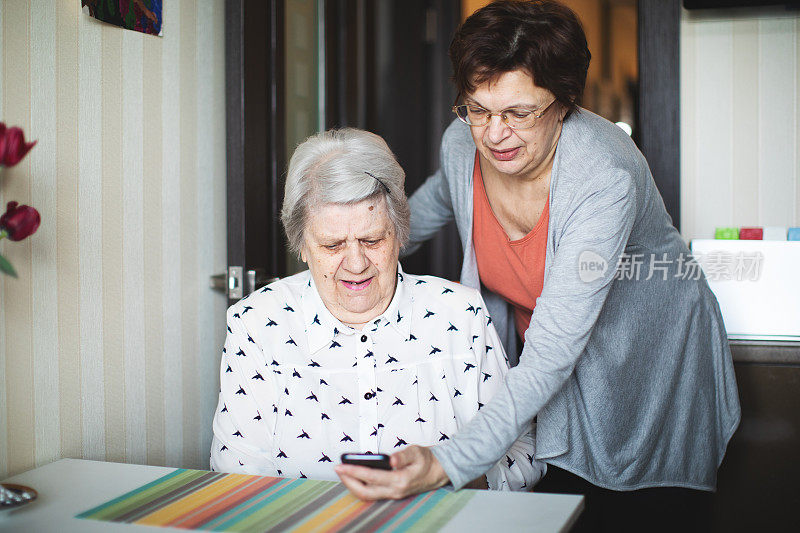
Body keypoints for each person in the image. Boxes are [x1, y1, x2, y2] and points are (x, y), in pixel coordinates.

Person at [334, 0, 740, 527]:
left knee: (638, 514)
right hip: (555, 369)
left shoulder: (604, 177)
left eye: (518, 114)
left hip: (649, 363)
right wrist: (349, 246)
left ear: (565, 101)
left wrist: (446, 462)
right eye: (477, 108)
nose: (494, 133)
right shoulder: (463, 143)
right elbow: (428, 208)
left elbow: (551, 352)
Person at [210, 128, 545, 491]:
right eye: (332, 245)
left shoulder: (460, 314)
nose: (356, 264)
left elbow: (523, 450)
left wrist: (453, 476)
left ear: (399, 233)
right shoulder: (256, 325)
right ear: (301, 246)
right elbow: (234, 478)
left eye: (372, 240)